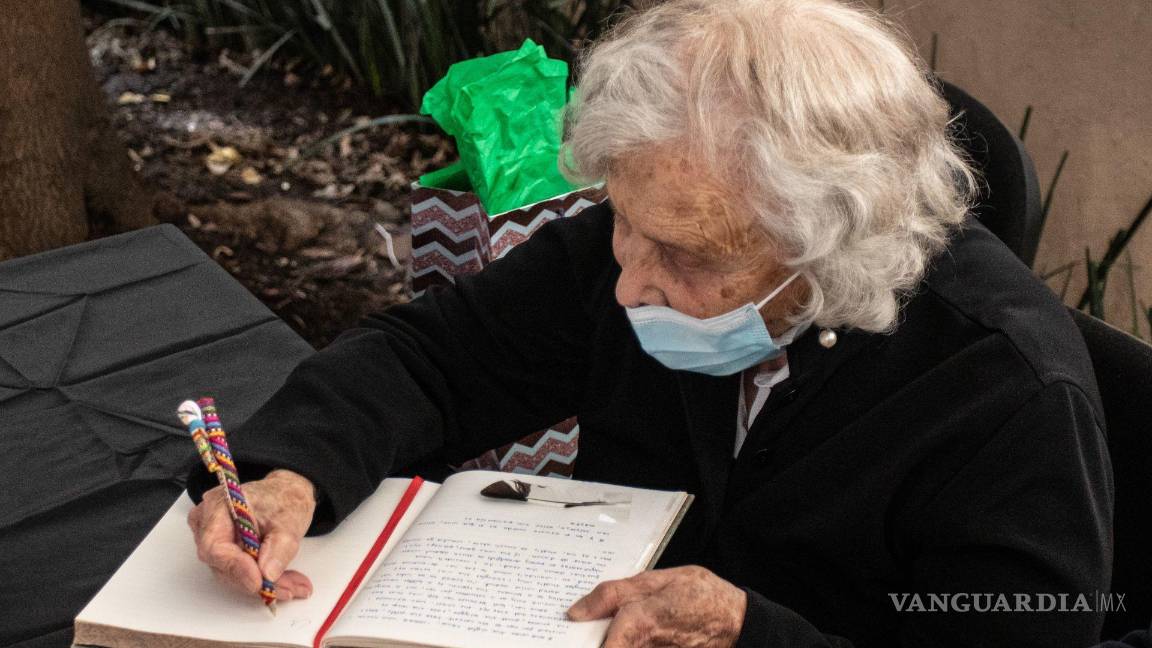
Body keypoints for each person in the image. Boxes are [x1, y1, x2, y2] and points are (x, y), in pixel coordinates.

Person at [186, 0, 1114, 646]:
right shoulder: (657, 225)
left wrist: (749, 634)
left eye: (689, 258)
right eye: (622, 221)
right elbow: (439, 356)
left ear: (829, 243)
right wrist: (295, 471)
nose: (630, 284)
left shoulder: (1006, 395)